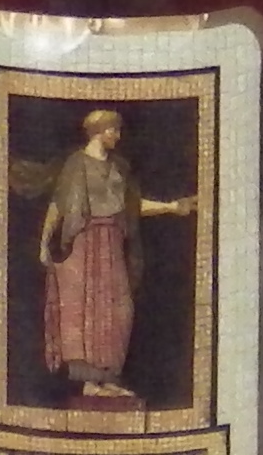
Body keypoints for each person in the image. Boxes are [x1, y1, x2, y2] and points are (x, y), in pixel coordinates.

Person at [34, 107, 194, 411]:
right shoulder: (76, 164)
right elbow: (59, 205)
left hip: (112, 242)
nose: (118, 136)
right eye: (113, 130)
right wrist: (44, 242)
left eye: (118, 130)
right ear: (98, 131)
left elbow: (131, 206)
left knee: (118, 309)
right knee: (85, 308)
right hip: (85, 243)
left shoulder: (119, 167)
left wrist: (172, 207)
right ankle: (90, 382)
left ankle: (107, 377)